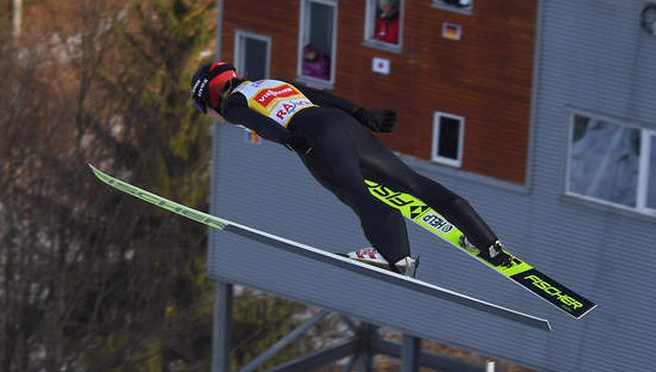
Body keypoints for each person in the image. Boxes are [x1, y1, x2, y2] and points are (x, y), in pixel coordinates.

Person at [189, 60, 515, 275]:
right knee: (411, 182)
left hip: (313, 135)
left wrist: (291, 140)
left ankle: (395, 258)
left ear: (212, 97)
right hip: (342, 123)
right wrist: (362, 114)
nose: (213, 116)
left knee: (356, 194)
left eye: (206, 110)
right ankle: (487, 242)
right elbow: (320, 95)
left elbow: (255, 122)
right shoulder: (271, 82)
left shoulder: (233, 104)